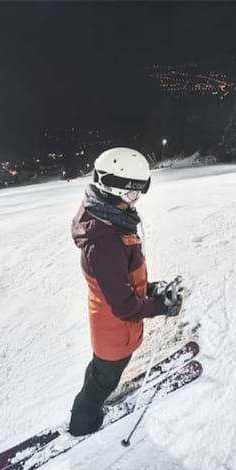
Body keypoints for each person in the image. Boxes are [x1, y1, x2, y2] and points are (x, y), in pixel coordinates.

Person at [68, 147, 183, 437]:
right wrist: (160, 306)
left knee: (100, 375)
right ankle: (81, 425)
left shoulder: (111, 222)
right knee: (102, 381)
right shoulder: (106, 242)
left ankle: (90, 399)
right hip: (114, 330)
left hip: (114, 327)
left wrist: (154, 289)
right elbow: (124, 305)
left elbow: (122, 284)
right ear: (112, 188)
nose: (135, 201)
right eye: (133, 194)